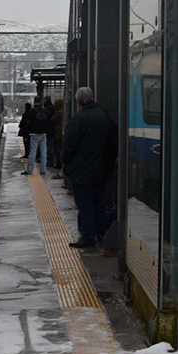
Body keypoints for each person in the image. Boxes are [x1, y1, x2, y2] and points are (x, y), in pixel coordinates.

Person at [62, 87, 109, 248]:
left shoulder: (80, 119)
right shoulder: (103, 115)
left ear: (78, 102)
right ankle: (102, 232)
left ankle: (88, 236)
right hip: (100, 169)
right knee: (98, 203)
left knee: (85, 205)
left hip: (82, 171)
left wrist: (67, 164)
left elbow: (68, 145)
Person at [21, 96, 50, 176]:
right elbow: (49, 122)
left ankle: (30, 170)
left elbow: (27, 124)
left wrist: (26, 135)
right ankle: (43, 170)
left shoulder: (31, 112)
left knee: (33, 152)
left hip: (34, 134)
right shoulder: (45, 111)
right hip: (43, 134)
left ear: (34, 102)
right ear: (41, 102)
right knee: (44, 152)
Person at [50, 98, 64, 169]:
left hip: (58, 133)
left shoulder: (58, 113)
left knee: (57, 148)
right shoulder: (64, 112)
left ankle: (59, 161)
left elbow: (52, 120)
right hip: (63, 132)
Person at [43, 95, 56, 167]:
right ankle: (51, 159)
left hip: (48, 130)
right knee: (50, 145)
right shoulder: (53, 108)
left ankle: (50, 161)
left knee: (49, 145)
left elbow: (48, 120)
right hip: (52, 129)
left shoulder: (46, 109)